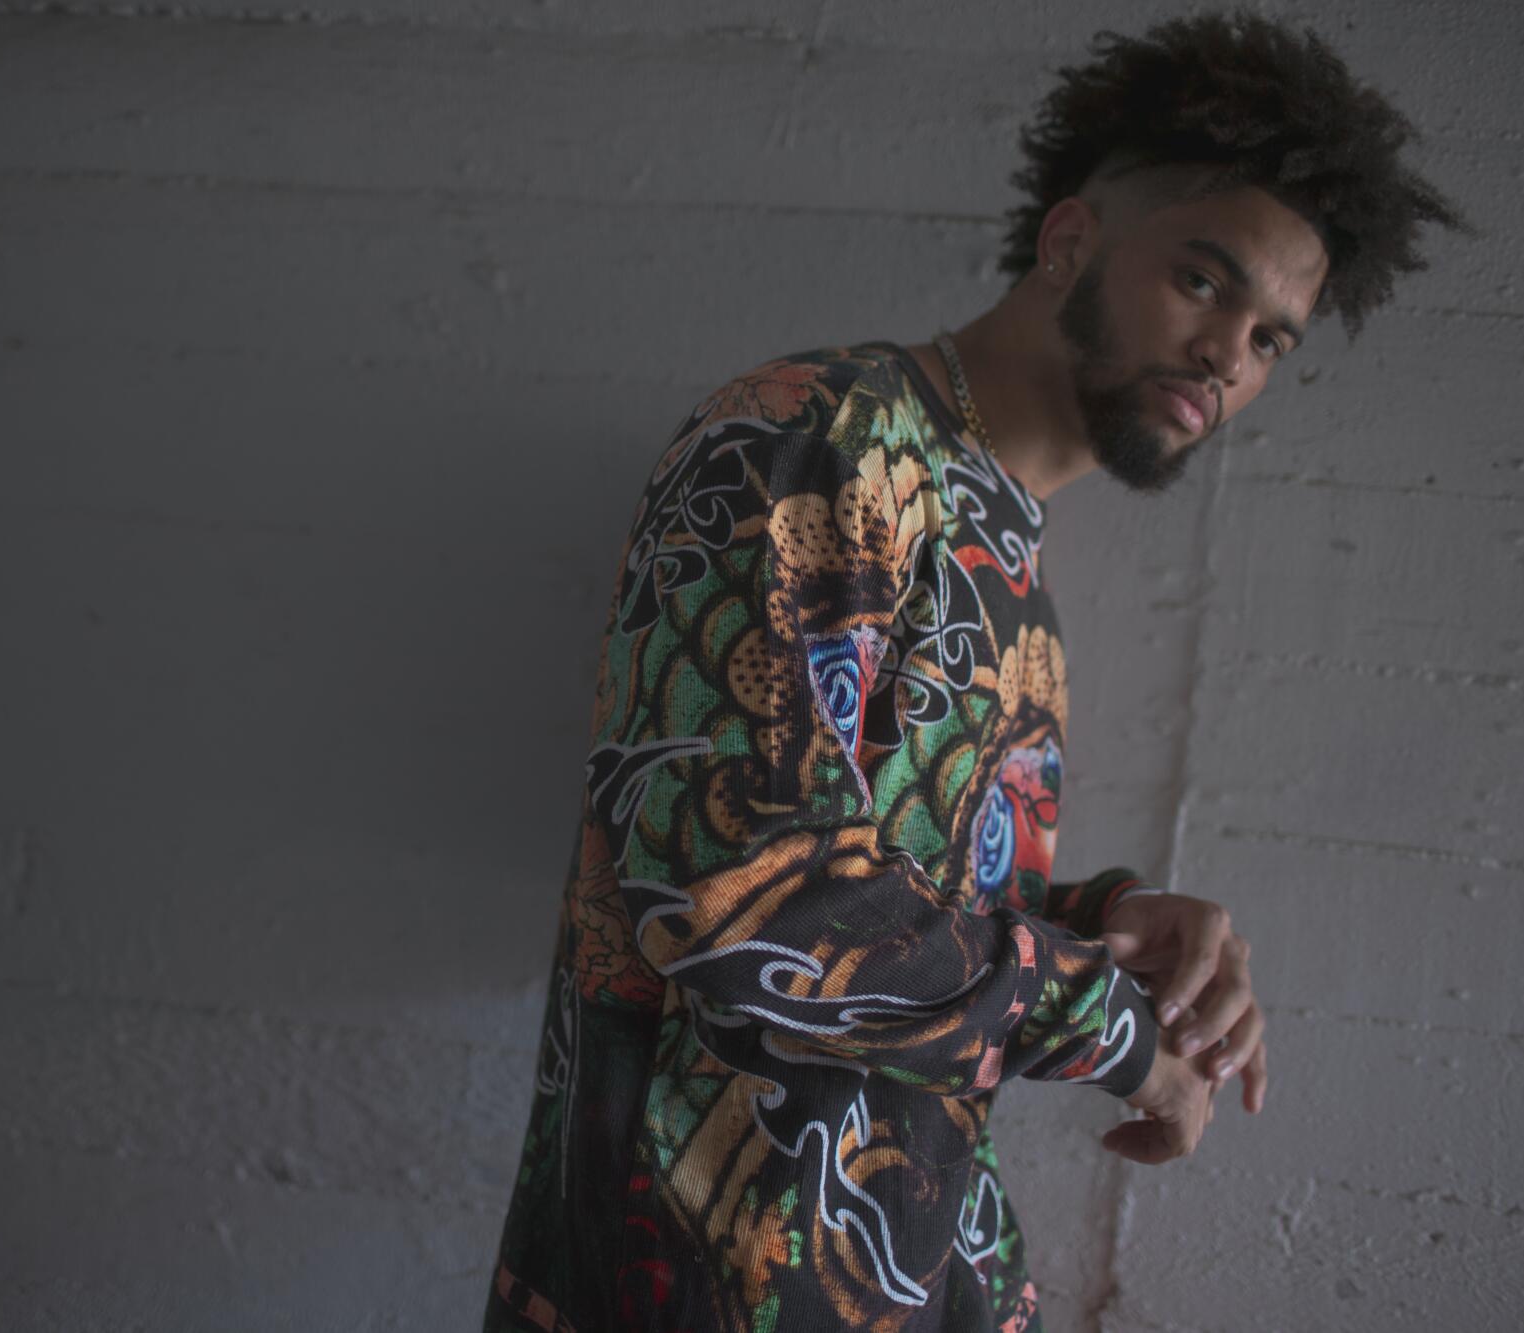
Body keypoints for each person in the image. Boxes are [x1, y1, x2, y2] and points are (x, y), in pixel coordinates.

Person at [484, 10, 1466, 1331]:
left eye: (1275, 336)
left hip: (913, 1273)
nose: (1233, 350)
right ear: (1073, 239)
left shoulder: (1015, 564)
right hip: (695, 1285)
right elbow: (733, 891)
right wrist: (1120, 1031)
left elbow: (900, 890)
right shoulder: (813, 440)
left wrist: (1118, 927)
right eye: (1204, 278)